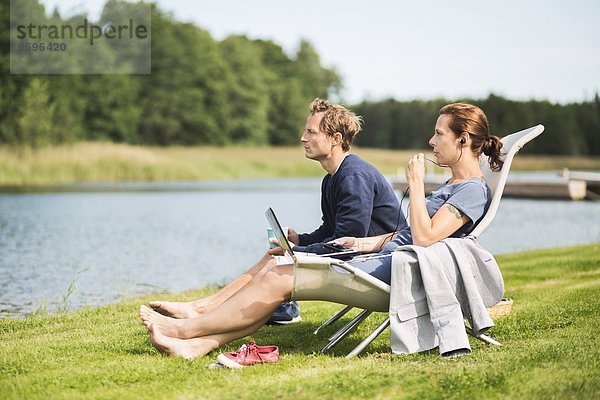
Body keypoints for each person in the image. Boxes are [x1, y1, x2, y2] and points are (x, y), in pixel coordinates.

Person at [139, 102, 504, 360]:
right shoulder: (451, 187)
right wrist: (364, 241)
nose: (431, 141)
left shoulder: (470, 189)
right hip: (386, 257)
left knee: (280, 275)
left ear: (462, 140)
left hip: (400, 272)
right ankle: (196, 343)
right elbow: (408, 235)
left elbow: (424, 239)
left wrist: (417, 184)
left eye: (438, 134)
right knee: (280, 268)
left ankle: (187, 329)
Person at [149, 98, 401, 325]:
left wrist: (297, 253)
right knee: (274, 255)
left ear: (335, 139)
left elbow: (346, 243)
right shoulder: (332, 178)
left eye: (311, 132)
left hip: (373, 266)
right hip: (356, 260)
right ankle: (201, 308)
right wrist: (301, 240)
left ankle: (202, 310)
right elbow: (330, 229)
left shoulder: (353, 175)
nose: (303, 137)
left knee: (276, 259)